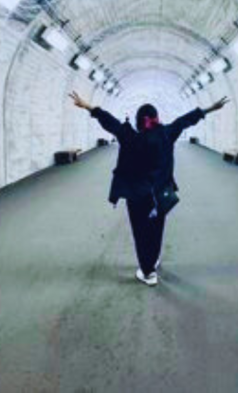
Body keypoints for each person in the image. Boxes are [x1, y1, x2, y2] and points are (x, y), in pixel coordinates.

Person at [69, 91, 229, 287]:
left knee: (140, 232)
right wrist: (210, 109)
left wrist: (88, 106)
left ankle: (147, 271)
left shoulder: (129, 137)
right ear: (156, 118)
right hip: (160, 194)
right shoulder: (166, 134)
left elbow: (110, 122)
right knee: (157, 229)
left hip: (136, 196)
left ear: (137, 121)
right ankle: (153, 260)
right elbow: (185, 120)